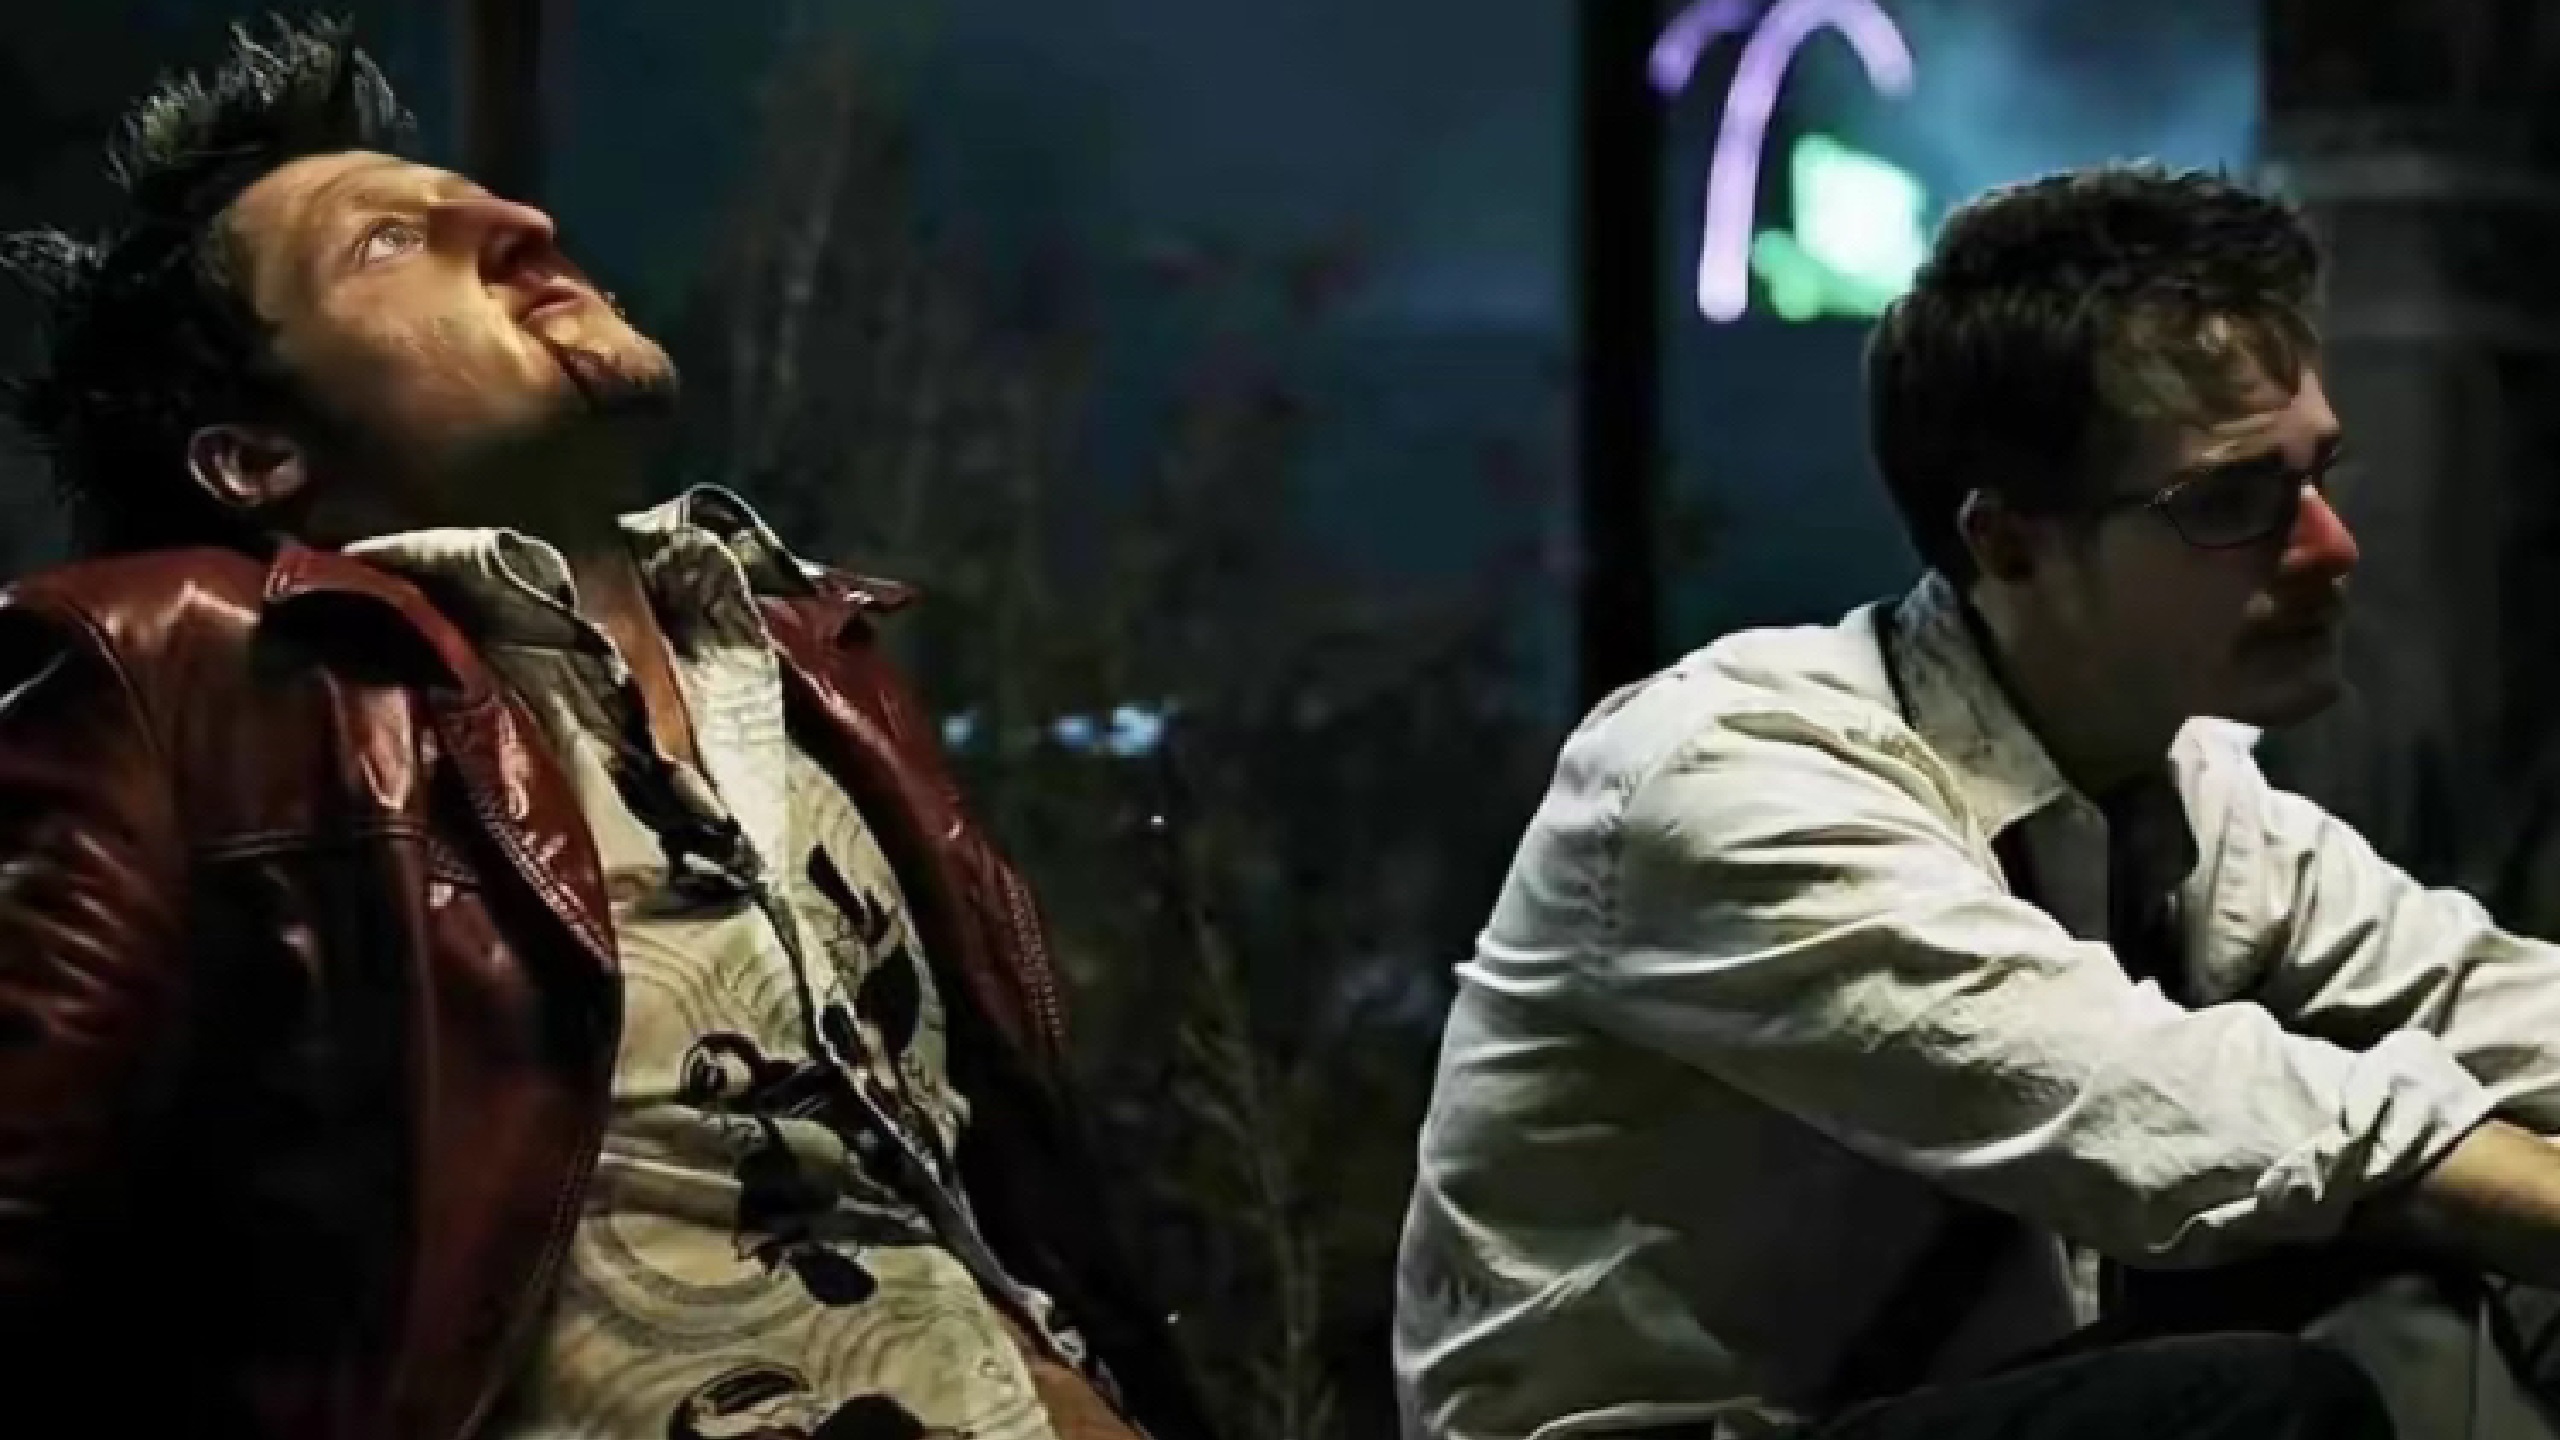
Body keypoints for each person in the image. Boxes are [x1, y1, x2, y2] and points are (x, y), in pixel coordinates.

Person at [0, 20, 1204, 1440]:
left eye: (485, 203)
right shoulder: (179, 663)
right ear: (257, 456)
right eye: (388, 244)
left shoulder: (820, 671)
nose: (522, 225)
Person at [1393, 163, 2560, 1440]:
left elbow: (2484, 1002)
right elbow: (2149, 1099)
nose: (2330, 545)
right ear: (2007, 543)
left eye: (2316, 473)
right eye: (2233, 502)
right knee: (2259, 1400)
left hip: (1949, 1406)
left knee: (2438, 1266)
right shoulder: (1728, 776)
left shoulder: (2182, 792)